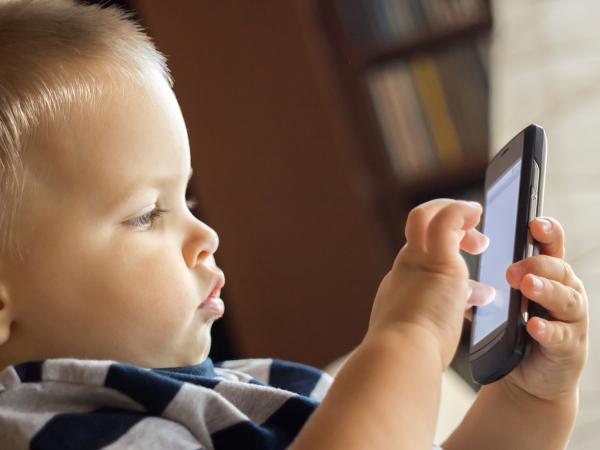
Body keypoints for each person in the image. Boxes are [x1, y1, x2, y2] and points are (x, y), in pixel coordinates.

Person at [0, 1, 588, 449]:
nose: (206, 238)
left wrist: (528, 397)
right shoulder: (58, 428)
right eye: (146, 214)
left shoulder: (245, 388)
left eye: (188, 201)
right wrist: (405, 337)